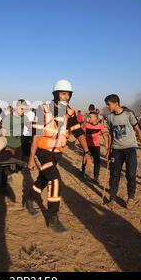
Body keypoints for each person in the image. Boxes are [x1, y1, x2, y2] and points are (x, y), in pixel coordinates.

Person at [26, 79, 90, 233]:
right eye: (62, 93)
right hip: (43, 152)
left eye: (68, 94)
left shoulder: (70, 113)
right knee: (55, 180)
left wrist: (87, 151)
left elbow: (78, 132)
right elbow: (36, 136)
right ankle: (53, 217)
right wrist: (31, 158)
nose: (65, 97)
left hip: (57, 154)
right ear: (55, 94)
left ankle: (29, 198)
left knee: (44, 178)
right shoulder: (42, 110)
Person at [104, 94, 141, 210]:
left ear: (116, 104)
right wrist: (109, 149)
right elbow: (110, 134)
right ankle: (112, 198)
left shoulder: (129, 114)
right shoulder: (109, 118)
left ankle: (131, 198)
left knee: (131, 175)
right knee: (114, 175)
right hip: (116, 150)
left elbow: (137, 130)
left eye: (109, 104)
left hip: (130, 149)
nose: (107, 107)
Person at [82, 111, 109, 183]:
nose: (88, 118)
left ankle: (95, 178)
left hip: (96, 147)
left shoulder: (100, 126)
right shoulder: (86, 125)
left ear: (95, 118)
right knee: (85, 160)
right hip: (87, 146)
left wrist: (107, 146)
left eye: (90, 117)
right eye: (88, 117)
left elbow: (104, 136)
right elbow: (81, 135)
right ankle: (83, 172)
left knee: (97, 162)